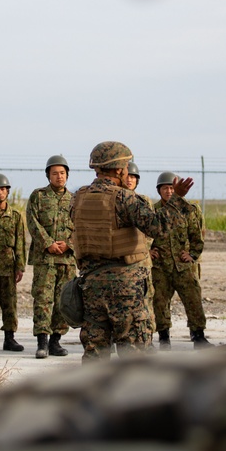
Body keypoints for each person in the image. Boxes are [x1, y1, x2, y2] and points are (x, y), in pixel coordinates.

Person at [71, 141, 197, 360]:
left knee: (95, 352)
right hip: (125, 287)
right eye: (127, 166)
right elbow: (158, 227)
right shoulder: (124, 198)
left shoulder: (78, 197)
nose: (128, 170)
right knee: (135, 353)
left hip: (91, 285)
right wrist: (176, 198)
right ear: (119, 169)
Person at [150, 171, 209, 349]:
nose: (168, 191)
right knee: (159, 301)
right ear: (159, 190)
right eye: (165, 188)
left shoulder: (189, 209)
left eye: (171, 188)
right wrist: (149, 250)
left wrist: (192, 255)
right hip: (160, 266)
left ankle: (198, 336)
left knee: (193, 299)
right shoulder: (153, 210)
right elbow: (145, 235)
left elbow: (198, 236)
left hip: (183, 266)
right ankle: (164, 337)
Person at [26, 155, 75, 359]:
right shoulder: (38, 196)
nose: (59, 177)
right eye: (55, 173)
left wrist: (69, 244)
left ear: (67, 175)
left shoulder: (75, 199)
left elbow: (81, 226)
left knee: (63, 301)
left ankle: (56, 341)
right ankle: (42, 342)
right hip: (46, 259)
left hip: (67, 260)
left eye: (62, 173)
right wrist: (48, 243)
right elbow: (32, 221)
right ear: (48, 175)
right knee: (43, 300)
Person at [0, 173, 26, 352]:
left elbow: (20, 242)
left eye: (3, 189)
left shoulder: (15, 216)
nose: (0, 193)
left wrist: (20, 266)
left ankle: (9, 338)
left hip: (8, 267)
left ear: (7, 191)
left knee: (10, 305)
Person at [125, 161, 157, 343]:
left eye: (133, 177)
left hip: (142, 261)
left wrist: (143, 247)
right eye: (127, 176)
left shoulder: (143, 201)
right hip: (122, 261)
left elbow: (151, 230)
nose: (130, 180)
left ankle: (147, 338)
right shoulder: (116, 199)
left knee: (146, 301)